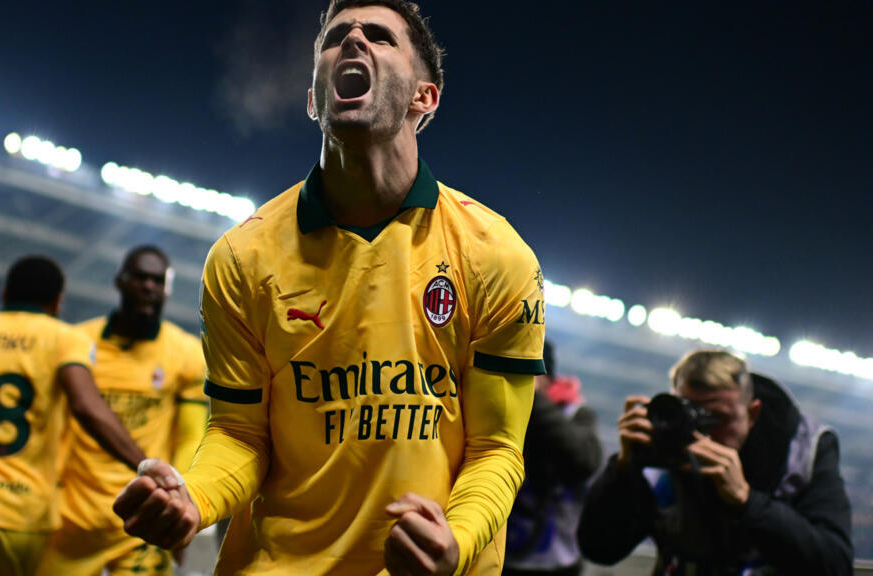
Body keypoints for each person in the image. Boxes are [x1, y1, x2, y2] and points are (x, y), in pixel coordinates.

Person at [113, 1, 546, 574]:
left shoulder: (494, 253)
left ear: (425, 97)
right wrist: (194, 499)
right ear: (314, 100)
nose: (355, 40)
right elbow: (239, 434)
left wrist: (457, 541)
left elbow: (496, 450)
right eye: (337, 36)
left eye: (380, 36)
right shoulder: (242, 257)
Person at [0, 255, 147, 576]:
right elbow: (86, 406)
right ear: (58, 302)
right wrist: (146, 465)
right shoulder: (65, 339)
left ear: (5, 293)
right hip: (24, 515)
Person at [576, 349, 853, 575]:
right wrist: (624, 470)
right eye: (692, 416)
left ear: (753, 414)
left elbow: (835, 565)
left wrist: (748, 501)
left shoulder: (803, 448)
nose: (703, 435)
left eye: (719, 419)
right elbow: (600, 549)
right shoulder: (663, 449)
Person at [36, 246, 207, 576]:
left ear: (166, 289)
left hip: (145, 518)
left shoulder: (186, 353)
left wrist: (178, 497)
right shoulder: (77, 342)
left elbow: (190, 438)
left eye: (157, 280)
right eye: (140, 277)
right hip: (72, 520)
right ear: (119, 281)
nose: (148, 286)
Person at [504, 341, 602, 576]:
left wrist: (532, 397)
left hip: (557, 562)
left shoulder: (575, 413)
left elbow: (584, 461)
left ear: (546, 377)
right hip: (502, 556)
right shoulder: (503, 410)